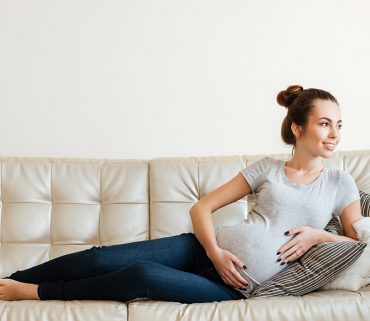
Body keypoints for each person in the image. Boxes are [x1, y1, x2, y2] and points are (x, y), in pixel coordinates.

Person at [0, 85, 362, 304]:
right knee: (99, 260)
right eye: (325, 123)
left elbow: (356, 241)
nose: (334, 134)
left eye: (339, 125)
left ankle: (33, 293)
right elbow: (202, 208)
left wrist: (317, 235)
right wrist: (215, 252)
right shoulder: (267, 168)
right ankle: (13, 278)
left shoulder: (339, 183)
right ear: (298, 128)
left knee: (142, 275)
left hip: (236, 287)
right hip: (200, 248)